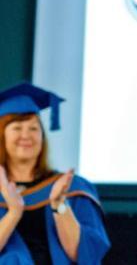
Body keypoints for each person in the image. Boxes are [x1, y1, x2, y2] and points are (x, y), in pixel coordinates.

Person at [0, 83, 110, 264]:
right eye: (17, 128)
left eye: (34, 128)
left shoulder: (71, 187)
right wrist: (14, 212)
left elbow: (86, 256)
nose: (26, 135)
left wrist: (59, 204)